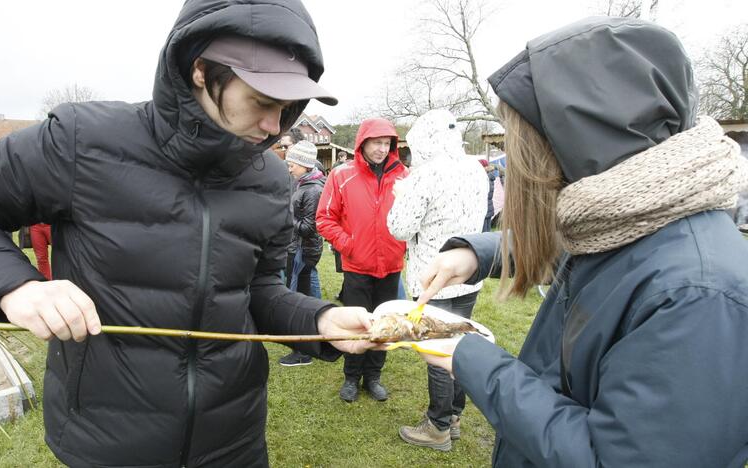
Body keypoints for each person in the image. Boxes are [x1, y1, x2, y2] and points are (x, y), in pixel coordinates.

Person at [0, 2, 378, 466]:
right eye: (262, 102)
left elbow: (257, 290)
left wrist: (318, 319)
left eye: (286, 108)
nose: (273, 127)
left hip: (232, 443)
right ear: (200, 69)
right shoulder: (83, 140)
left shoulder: (273, 181)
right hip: (108, 443)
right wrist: (14, 285)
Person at [415, 17, 748, 467]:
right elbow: (583, 256)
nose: (516, 160)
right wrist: (477, 254)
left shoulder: (699, 296)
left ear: (577, 141)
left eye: (523, 140)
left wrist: (471, 358)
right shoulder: (637, 218)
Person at [386, 109, 488, 451]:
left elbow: (399, 227)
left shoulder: (424, 175)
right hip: (470, 272)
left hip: (433, 278)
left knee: (436, 351)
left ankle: (438, 426)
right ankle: (454, 416)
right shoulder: (477, 169)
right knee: (458, 343)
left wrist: (401, 196)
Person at [316, 117, 409, 402]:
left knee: (383, 324)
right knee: (357, 323)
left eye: (386, 143)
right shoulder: (342, 176)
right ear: (363, 143)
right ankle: (351, 377)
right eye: (376, 142)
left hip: (391, 266)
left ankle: (374, 376)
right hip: (357, 266)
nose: (381, 149)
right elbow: (324, 218)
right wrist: (349, 245)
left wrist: (403, 244)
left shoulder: (404, 176)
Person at [278, 140, 326, 367]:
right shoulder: (304, 185)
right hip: (297, 250)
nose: (289, 169)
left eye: (292, 164)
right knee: (306, 299)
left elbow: (309, 227)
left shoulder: (313, 190)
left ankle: (304, 353)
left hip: (303, 252)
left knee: (299, 302)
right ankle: (312, 342)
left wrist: (287, 216)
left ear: (305, 165)